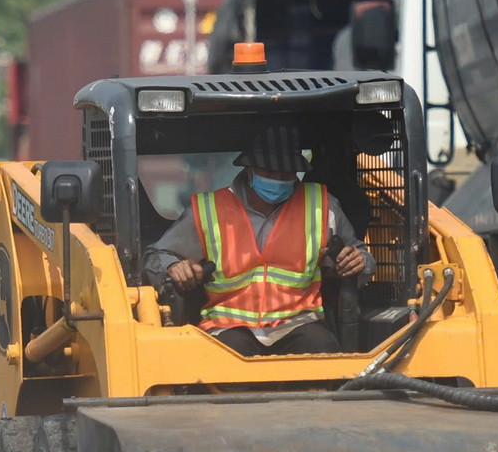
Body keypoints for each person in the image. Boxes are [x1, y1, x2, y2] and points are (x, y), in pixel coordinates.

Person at [142, 126, 373, 356]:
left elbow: (360, 256)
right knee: (225, 355)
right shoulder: (207, 209)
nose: (279, 178)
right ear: (249, 169)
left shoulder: (322, 205)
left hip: (299, 323)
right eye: (269, 172)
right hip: (228, 327)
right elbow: (155, 256)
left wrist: (358, 261)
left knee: (323, 348)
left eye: (286, 173)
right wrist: (173, 267)